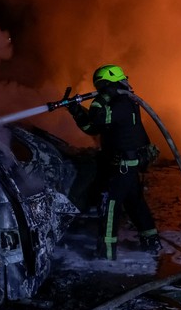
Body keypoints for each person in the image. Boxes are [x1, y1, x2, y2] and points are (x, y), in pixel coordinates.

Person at [66, 64, 162, 260]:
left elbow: (98, 116)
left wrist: (101, 97)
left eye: (104, 86)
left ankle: (106, 254)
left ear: (113, 84)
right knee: (135, 204)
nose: (101, 91)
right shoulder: (118, 104)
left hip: (123, 166)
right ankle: (151, 242)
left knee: (110, 207)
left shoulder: (123, 103)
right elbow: (92, 127)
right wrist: (75, 110)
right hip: (125, 166)